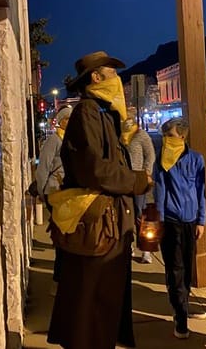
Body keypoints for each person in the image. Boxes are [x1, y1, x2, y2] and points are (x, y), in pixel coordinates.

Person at [46, 51, 152, 349]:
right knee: (92, 303)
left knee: (101, 301)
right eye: (113, 73)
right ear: (96, 77)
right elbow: (95, 169)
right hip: (100, 228)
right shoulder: (88, 112)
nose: (118, 79)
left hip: (109, 225)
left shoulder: (102, 113)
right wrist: (138, 181)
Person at [153, 117, 206, 340]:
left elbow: (201, 191)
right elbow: (160, 193)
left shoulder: (196, 159)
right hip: (171, 222)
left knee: (186, 265)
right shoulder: (162, 161)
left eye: (170, 135)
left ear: (183, 137)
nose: (166, 139)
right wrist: (160, 222)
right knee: (175, 269)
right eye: (165, 135)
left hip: (191, 221)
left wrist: (201, 220)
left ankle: (183, 302)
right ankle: (180, 315)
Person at [36, 105, 72, 292]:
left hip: (67, 194)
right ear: (62, 121)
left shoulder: (71, 139)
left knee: (66, 237)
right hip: (54, 191)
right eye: (68, 119)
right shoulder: (54, 140)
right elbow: (43, 168)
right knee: (62, 238)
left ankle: (63, 279)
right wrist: (43, 193)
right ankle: (58, 282)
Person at [121, 107, 156, 263]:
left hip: (138, 178)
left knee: (140, 215)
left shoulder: (141, 135)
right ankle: (127, 247)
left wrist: (147, 173)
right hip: (122, 179)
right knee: (124, 215)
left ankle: (146, 249)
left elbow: (150, 155)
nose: (126, 121)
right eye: (124, 118)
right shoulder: (119, 136)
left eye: (129, 118)